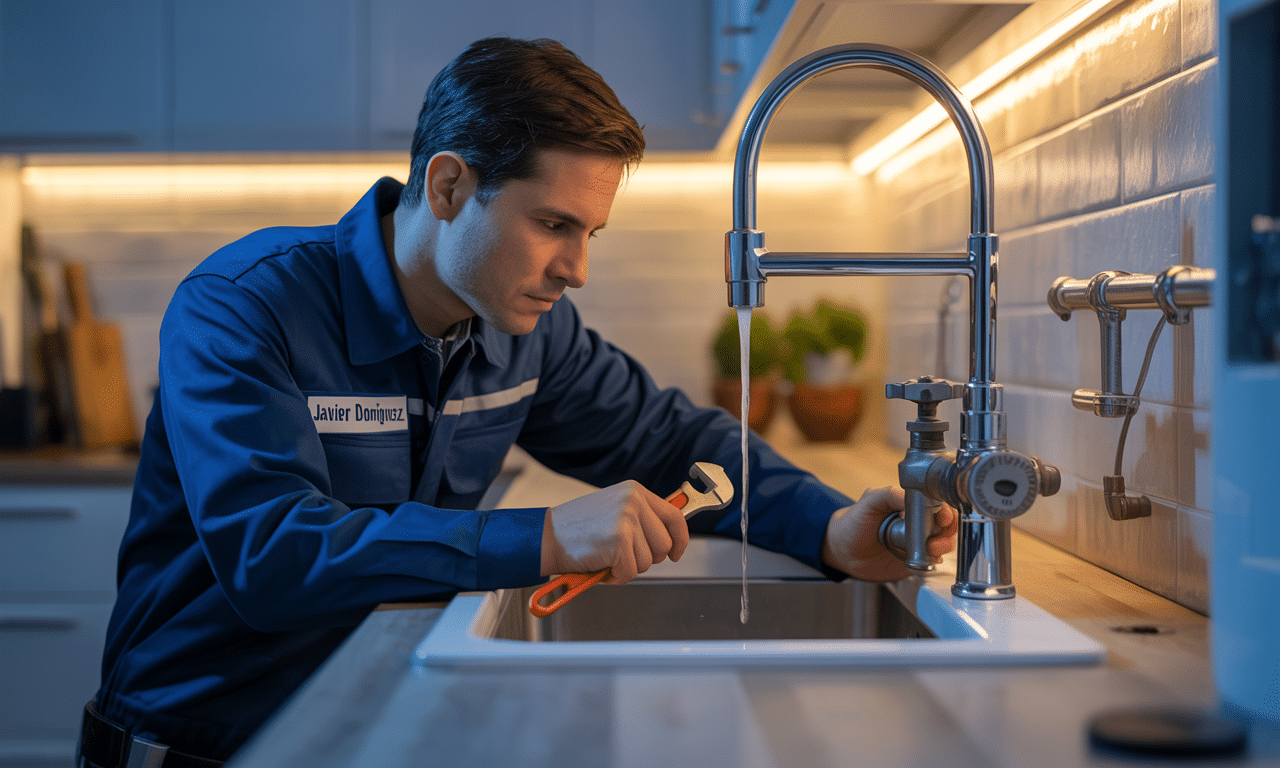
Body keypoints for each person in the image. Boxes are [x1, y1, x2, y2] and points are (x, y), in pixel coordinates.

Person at [82, 37, 958, 767]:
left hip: (376, 722)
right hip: (196, 743)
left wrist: (828, 527)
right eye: (553, 225)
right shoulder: (242, 306)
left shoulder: (526, 331)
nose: (577, 268)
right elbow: (274, 557)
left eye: (590, 233)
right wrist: (545, 537)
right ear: (449, 187)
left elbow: (672, 438)